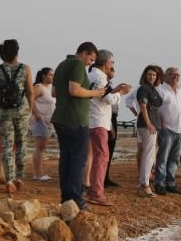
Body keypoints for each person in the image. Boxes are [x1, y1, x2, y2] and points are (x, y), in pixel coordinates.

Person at [52, 42, 105, 210]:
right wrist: (95, 93)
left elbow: (54, 92)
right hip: (75, 119)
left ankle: (66, 197)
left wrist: (85, 93)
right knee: (77, 160)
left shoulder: (61, 65)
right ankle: (75, 199)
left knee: (66, 158)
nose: (91, 62)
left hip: (61, 117)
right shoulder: (77, 65)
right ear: (84, 53)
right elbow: (74, 90)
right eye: (91, 58)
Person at [86, 50, 129, 207]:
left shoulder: (92, 74)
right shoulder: (99, 76)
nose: (112, 65)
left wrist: (115, 91)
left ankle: (94, 189)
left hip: (94, 119)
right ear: (106, 63)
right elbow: (108, 99)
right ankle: (96, 192)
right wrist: (121, 93)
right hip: (97, 120)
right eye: (112, 63)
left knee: (97, 155)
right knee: (102, 156)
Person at [0, 39, 34, 195]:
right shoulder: (25, 68)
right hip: (22, 110)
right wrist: (30, 109)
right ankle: (19, 178)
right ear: (17, 52)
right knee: (21, 144)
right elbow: (30, 91)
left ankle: (9, 180)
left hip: (5, 111)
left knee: (6, 146)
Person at [154, 66, 181, 195]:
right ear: (166, 76)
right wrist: (162, 124)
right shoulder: (160, 90)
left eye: (178, 75)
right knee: (163, 158)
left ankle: (171, 183)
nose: (175, 77)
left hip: (180, 130)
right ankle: (159, 183)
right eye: (172, 74)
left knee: (174, 158)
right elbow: (155, 109)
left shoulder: (180, 92)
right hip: (167, 129)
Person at [135, 64, 164, 197]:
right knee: (148, 155)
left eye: (154, 75)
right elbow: (143, 106)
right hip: (147, 125)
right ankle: (144, 185)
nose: (152, 77)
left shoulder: (154, 89)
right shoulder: (144, 89)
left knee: (150, 155)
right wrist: (148, 123)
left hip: (154, 124)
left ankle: (143, 183)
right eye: (149, 74)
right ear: (145, 76)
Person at [30, 67, 55, 181]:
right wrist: (36, 114)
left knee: (42, 147)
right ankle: (37, 174)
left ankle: (39, 173)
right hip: (40, 121)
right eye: (50, 75)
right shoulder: (39, 87)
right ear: (43, 76)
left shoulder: (49, 88)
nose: (52, 77)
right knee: (40, 147)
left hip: (48, 121)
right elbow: (29, 99)